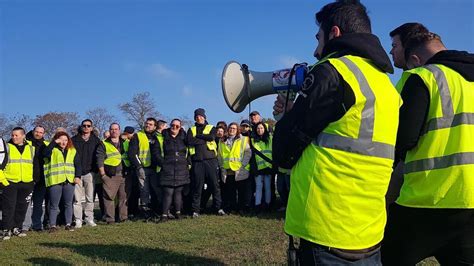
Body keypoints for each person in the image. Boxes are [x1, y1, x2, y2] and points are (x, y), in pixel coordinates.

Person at [272, 1, 400, 264]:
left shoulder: (332, 71)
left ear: (334, 34)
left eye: (318, 38)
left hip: (326, 225)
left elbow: (284, 152)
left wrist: (286, 117)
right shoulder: (385, 85)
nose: (316, 50)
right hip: (368, 230)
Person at [381, 31, 474, 265]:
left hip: (426, 200)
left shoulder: (425, 77)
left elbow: (404, 139)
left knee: (386, 259)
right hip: (469, 202)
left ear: (415, 58)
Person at [0, 127, 39, 240]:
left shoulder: (31, 149)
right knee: (9, 207)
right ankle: (6, 230)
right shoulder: (7, 147)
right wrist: (3, 181)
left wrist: (34, 180)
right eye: (12, 135)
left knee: (21, 207)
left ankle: (17, 228)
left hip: (27, 183)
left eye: (16, 135)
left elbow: (35, 166)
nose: (14, 137)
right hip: (9, 182)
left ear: (23, 136)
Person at [187, 108, 225, 217]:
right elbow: (189, 141)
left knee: (215, 185)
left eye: (201, 116)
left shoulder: (211, 127)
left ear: (204, 117)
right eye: (197, 116)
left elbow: (212, 137)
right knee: (197, 187)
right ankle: (196, 210)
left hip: (210, 160)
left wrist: (198, 137)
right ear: (195, 118)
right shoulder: (191, 129)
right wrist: (204, 139)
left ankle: (218, 207)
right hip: (197, 161)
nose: (199, 118)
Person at [152, 119, 190, 222]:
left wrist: (187, 163)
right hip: (167, 168)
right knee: (168, 192)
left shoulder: (185, 138)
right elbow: (156, 153)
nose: (174, 127)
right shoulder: (162, 137)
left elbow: (189, 151)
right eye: (172, 125)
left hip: (181, 168)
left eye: (177, 126)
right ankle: (164, 215)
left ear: (180, 127)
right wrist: (163, 164)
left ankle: (178, 213)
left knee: (178, 192)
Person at [43, 131, 81, 232]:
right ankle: (52, 225)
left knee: (68, 203)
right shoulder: (52, 149)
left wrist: (77, 176)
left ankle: (68, 224)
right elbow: (45, 154)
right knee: (53, 205)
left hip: (69, 180)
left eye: (65, 140)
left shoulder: (72, 150)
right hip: (55, 181)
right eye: (61, 140)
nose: (63, 142)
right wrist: (54, 143)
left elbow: (78, 164)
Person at [72, 119, 101, 228]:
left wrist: (96, 170)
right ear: (81, 127)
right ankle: (78, 220)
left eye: (88, 126)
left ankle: (89, 219)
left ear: (92, 128)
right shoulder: (74, 140)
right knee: (77, 199)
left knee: (90, 198)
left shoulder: (96, 140)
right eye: (84, 125)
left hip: (90, 173)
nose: (86, 127)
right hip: (77, 174)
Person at [96, 123, 128, 224]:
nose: (114, 131)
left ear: (119, 130)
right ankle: (110, 219)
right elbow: (99, 159)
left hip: (124, 174)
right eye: (112, 129)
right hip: (110, 175)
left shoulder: (125, 142)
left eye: (116, 129)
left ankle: (123, 218)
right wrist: (103, 175)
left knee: (123, 197)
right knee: (109, 197)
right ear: (109, 131)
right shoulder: (104, 143)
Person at [128, 117, 159, 219]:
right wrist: (139, 166)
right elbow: (132, 153)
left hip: (156, 169)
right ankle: (145, 212)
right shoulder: (138, 135)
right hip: (143, 168)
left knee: (156, 190)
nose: (148, 125)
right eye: (147, 123)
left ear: (155, 126)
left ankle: (156, 210)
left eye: (150, 124)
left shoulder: (158, 136)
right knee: (144, 191)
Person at [218, 122, 252, 214]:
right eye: (230, 128)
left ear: (237, 130)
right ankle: (232, 208)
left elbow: (248, 153)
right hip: (228, 170)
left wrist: (243, 164)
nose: (231, 130)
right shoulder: (222, 141)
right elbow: (220, 155)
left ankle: (241, 208)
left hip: (240, 170)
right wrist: (222, 166)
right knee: (230, 191)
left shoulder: (244, 139)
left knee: (241, 191)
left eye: (234, 128)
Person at [24, 126, 50, 231]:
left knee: (38, 204)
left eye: (41, 132)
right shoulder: (25, 143)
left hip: (41, 179)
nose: (38, 134)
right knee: (26, 204)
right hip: (28, 178)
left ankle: (37, 225)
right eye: (37, 131)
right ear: (33, 131)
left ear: (43, 134)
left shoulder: (46, 144)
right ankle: (25, 226)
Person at [250, 122, 273, 213]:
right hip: (258, 167)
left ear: (265, 129)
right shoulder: (253, 140)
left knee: (267, 187)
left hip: (268, 166)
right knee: (258, 187)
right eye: (258, 128)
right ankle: (257, 205)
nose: (260, 130)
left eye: (262, 128)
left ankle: (267, 205)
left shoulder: (270, 138)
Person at [121, 126, 140, 219]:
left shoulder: (131, 141)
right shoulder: (124, 141)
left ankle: (133, 210)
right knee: (129, 192)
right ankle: (130, 211)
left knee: (134, 192)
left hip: (132, 168)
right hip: (127, 168)